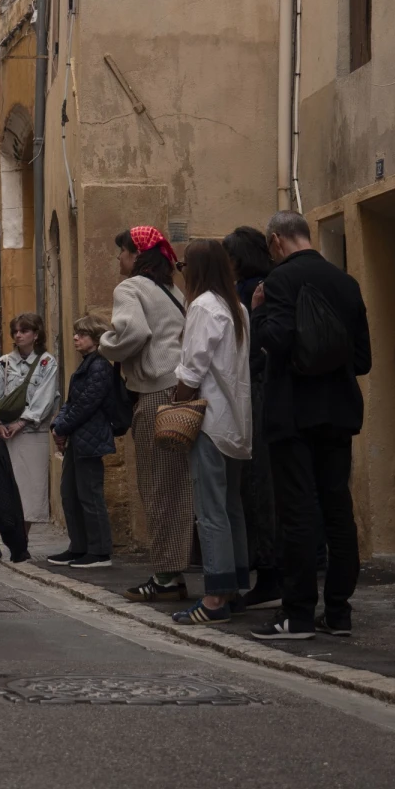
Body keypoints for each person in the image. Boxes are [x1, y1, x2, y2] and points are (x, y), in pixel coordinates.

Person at [250, 211, 371, 641]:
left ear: (277, 240)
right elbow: (362, 360)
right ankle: (338, 611)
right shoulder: (347, 283)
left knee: (297, 512)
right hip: (338, 413)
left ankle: (297, 614)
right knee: (338, 510)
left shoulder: (279, 281)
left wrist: (258, 313)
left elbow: (277, 340)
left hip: (293, 413)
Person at [98, 226, 195, 603]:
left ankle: (167, 577)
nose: (118, 259)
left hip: (155, 393)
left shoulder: (130, 289)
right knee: (178, 485)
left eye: (122, 251)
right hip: (181, 390)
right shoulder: (172, 291)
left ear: (136, 255)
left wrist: (106, 344)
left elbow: (132, 334)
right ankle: (173, 571)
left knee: (158, 487)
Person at [169, 240, 253, 626]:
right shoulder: (236, 307)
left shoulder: (203, 306)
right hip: (234, 420)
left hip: (208, 419)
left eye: (184, 265)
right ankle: (232, 588)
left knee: (210, 510)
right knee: (231, 506)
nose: (181, 272)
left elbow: (192, 368)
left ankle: (215, 597)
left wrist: (176, 401)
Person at [223, 226, 281, 610]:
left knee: (258, 486)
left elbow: (248, 349)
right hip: (272, 392)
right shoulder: (272, 284)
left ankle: (268, 574)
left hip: (255, 393)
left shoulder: (247, 293)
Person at [47, 314, 116, 569]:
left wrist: (62, 426)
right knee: (70, 493)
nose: (76, 338)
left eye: (82, 334)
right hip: (79, 437)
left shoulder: (99, 366)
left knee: (89, 494)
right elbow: (71, 402)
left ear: (96, 339)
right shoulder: (86, 364)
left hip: (91, 437)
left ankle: (99, 552)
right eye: (76, 333)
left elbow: (86, 404)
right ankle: (79, 546)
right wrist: (58, 425)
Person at [0, 312, 58, 538]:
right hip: (4, 432)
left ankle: (21, 542)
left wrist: (22, 422)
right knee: (0, 489)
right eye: (15, 331)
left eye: (24, 331)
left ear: (36, 334)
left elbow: (46, 397)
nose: (18, 335)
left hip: (32, 433)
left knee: (29, 491)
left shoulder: (47, 363)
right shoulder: (4, 362)